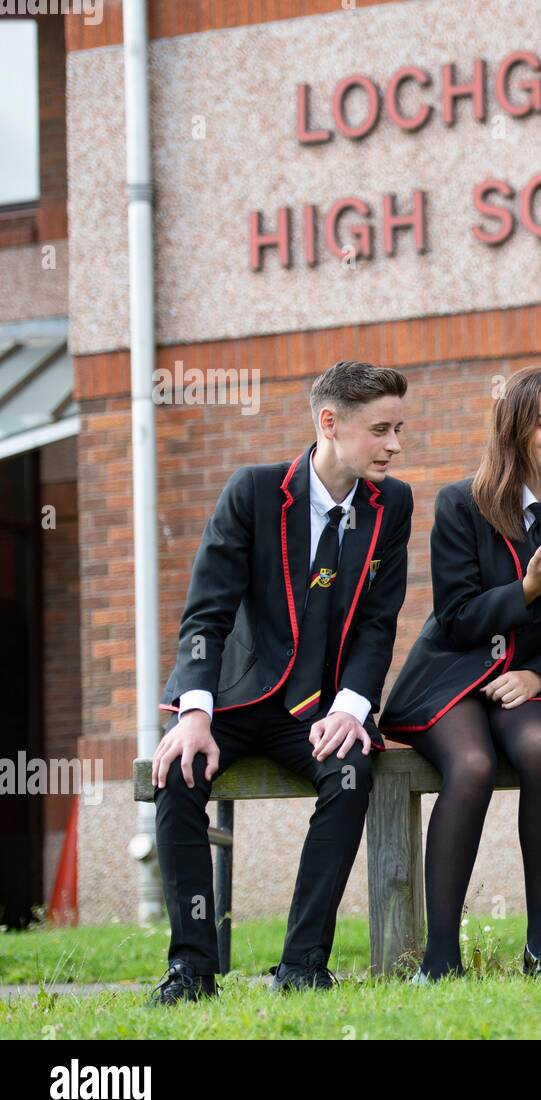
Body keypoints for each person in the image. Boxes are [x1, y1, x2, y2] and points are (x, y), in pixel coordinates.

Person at [149, 360, 413, 1004]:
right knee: (179, 773)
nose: (395, 445)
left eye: (399, 428)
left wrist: (352, 709)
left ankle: (302, 965)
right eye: (380, 430)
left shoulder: (392, 504)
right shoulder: (256, 492)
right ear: (330, 423)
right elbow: (207, 613)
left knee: (351, 772)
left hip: (316, 710)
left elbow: (379, 624)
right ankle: (192, 967)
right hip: (236, 700)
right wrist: (194, 713)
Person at [379, 367, 541, 978]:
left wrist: (539, 677)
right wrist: (527, 590)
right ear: (515, 429)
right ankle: (441, 956)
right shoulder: (463, 504)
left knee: (540, 748)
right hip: (453, 675)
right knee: (472, 765)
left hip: (528, 679)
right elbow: (454, 618)